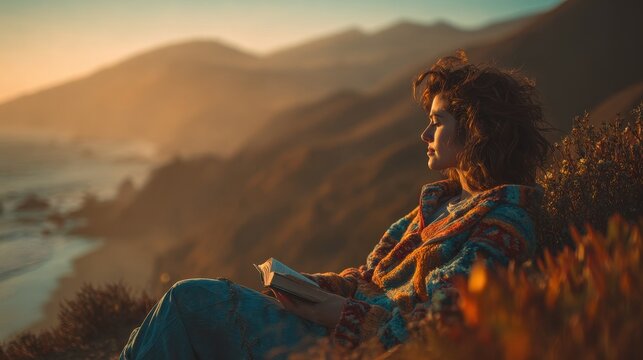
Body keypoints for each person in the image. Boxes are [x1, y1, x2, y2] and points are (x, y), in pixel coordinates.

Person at [119, 50, 552, 359]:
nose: (425, 135)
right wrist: (312, 286)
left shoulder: (504, 221)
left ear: (476, 131)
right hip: (327, 326)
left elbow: (439, 325)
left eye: (437, 123)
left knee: (188, 301)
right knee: (178, 313)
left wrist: (337, 313)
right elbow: (368, 278)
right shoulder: (437, 203)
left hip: (348, 347)